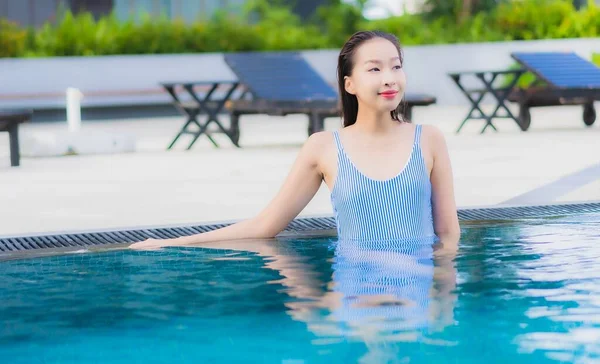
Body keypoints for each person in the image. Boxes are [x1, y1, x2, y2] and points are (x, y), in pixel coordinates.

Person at [130, 30, 460, 251]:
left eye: (396, 67)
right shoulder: (323, 148)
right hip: (355, 291)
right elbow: (265, 225)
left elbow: (448, 235)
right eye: (374, 69)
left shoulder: (428, 140)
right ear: (349, 84)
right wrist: (171, 244)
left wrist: (443, 300)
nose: (389, 78)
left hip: (418, 288)